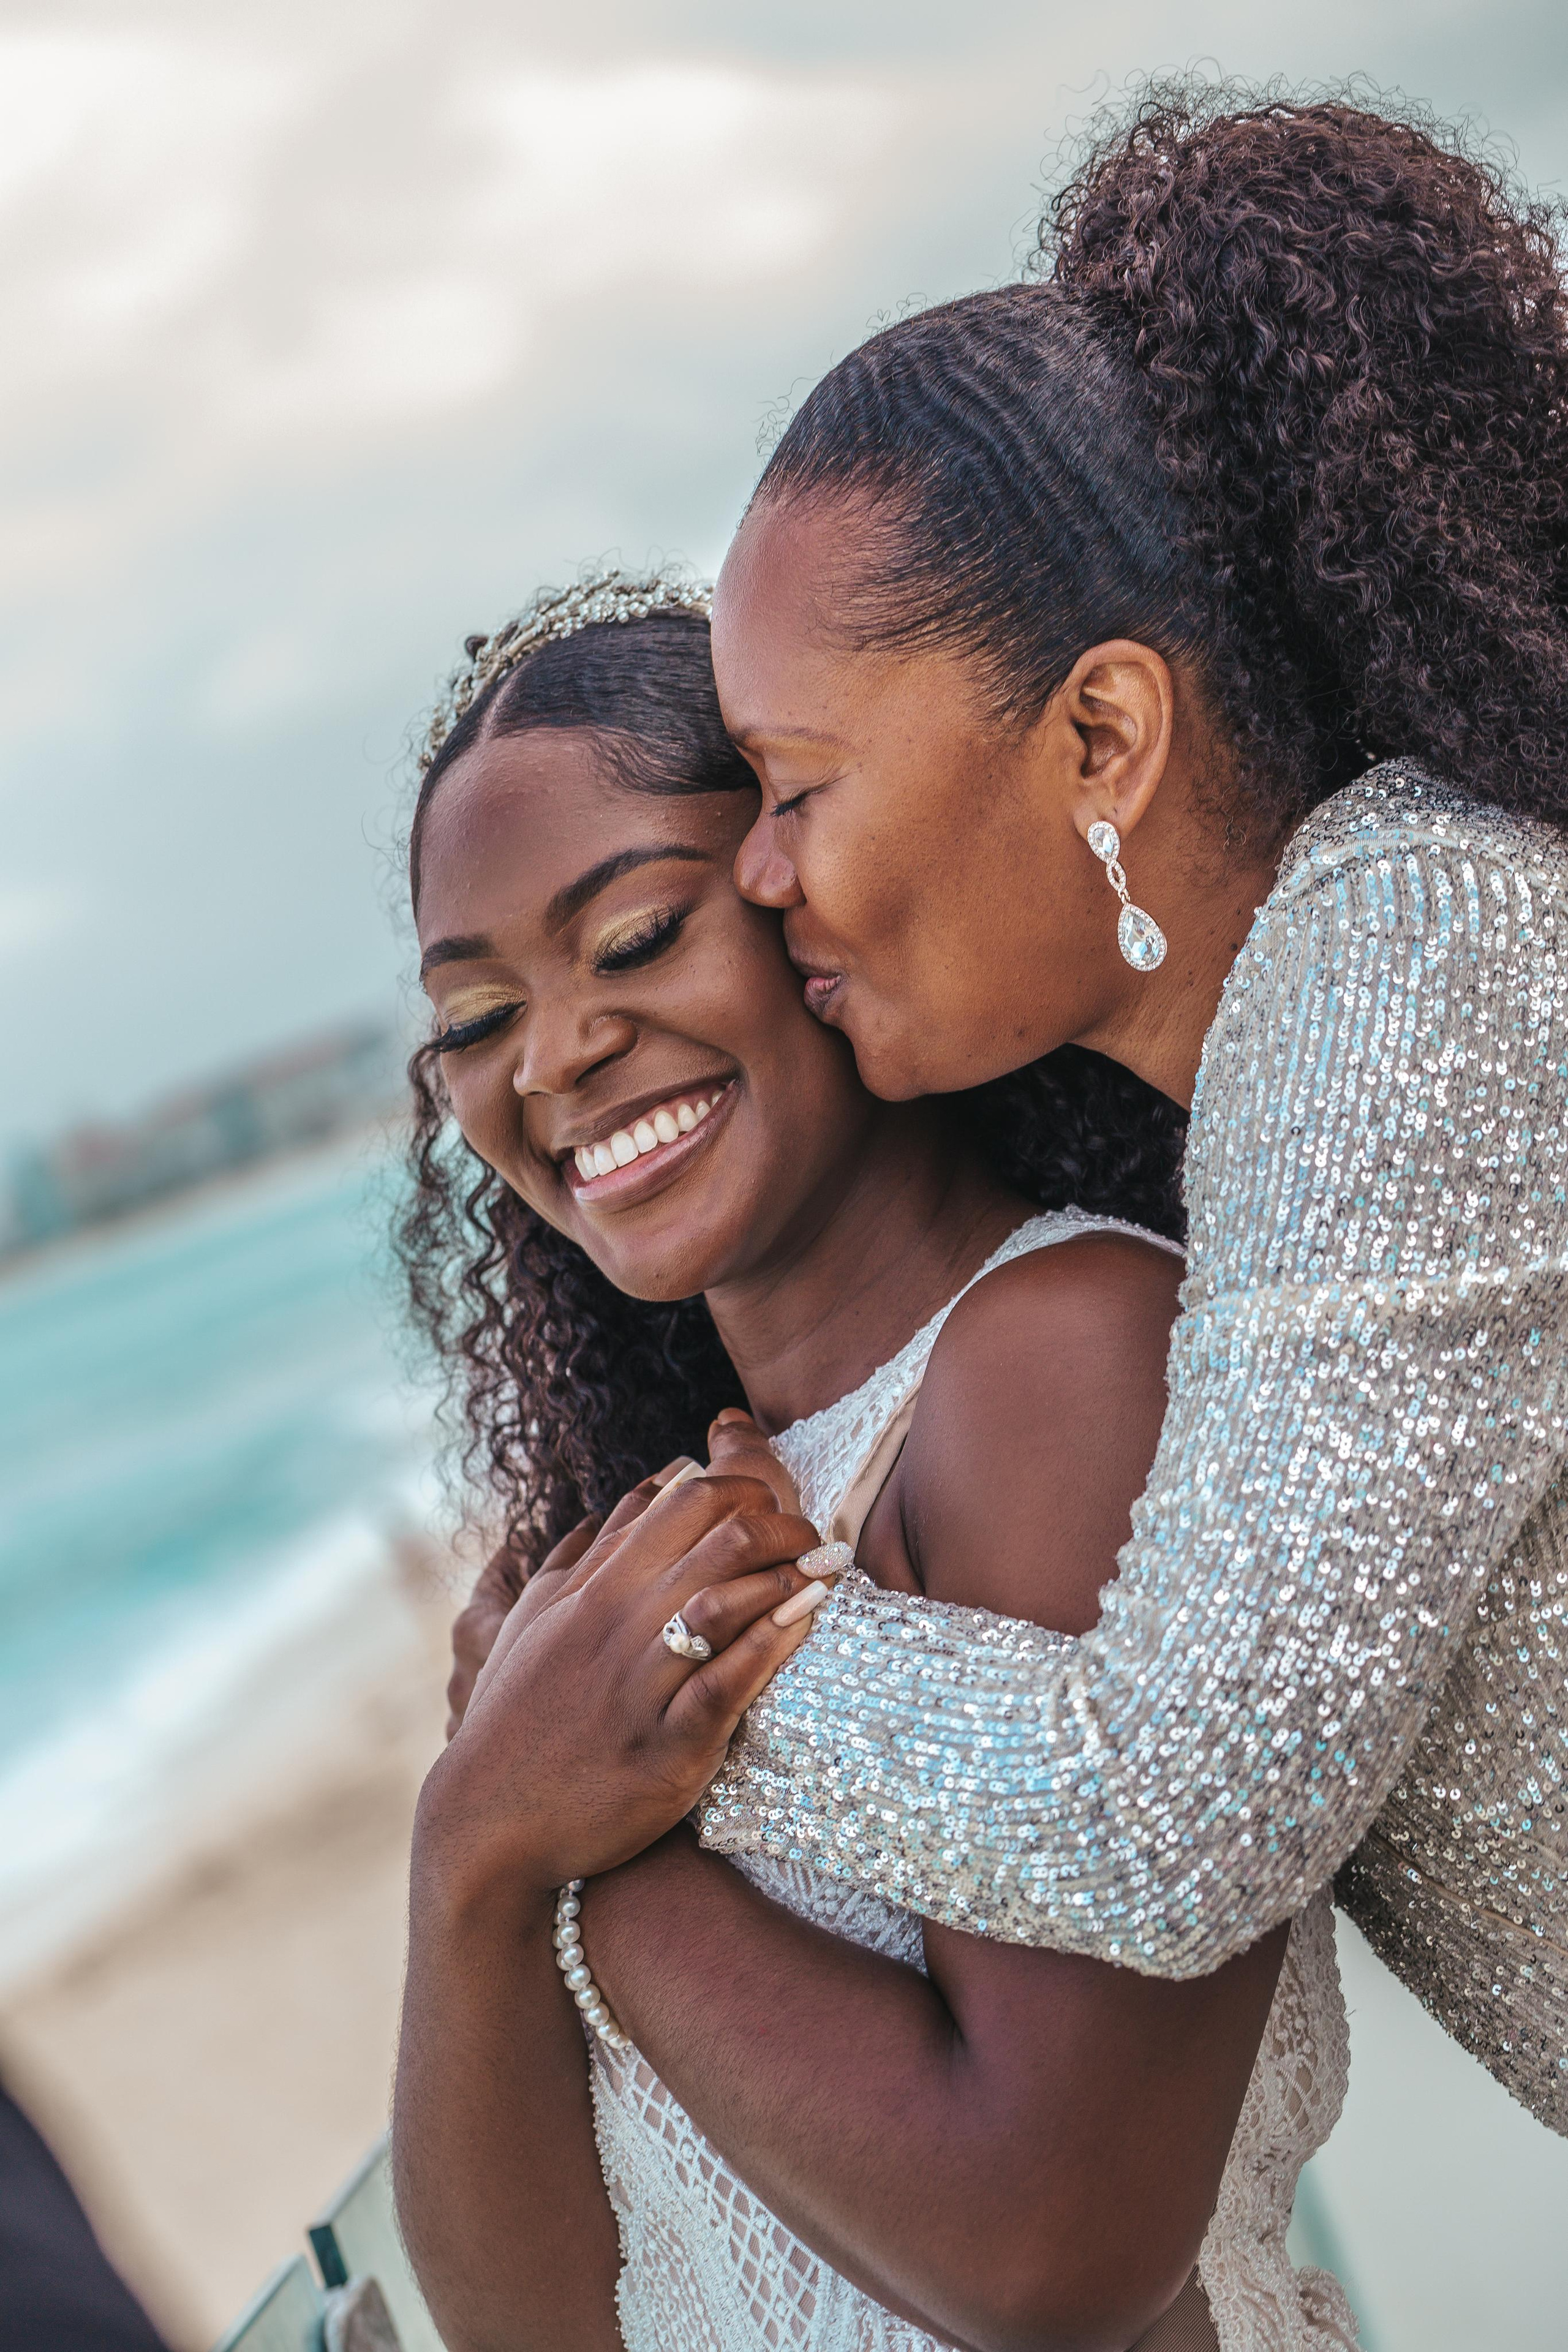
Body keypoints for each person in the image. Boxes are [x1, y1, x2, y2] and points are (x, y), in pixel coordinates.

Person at [520, 86, 1568, 2141]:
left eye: (796, 787)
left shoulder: (1409, 950)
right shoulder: (1274, 1055)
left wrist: (682, 1674)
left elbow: (1164, 1818)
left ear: (1101, 735)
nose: (758, 872)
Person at [392, 575, 1358, 2352]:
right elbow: (531, 2327)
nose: (557, 1054)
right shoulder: (637, 1550)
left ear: (804, 899)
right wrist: (471, 1855)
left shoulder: (1055, 1356)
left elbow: (1051, 2254)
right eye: (471, 1020)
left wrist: (588, 1846)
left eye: (631, 940)